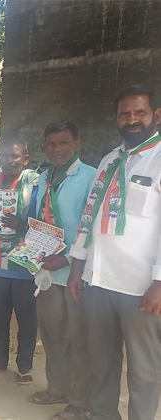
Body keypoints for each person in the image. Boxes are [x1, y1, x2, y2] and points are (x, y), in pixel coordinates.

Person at [68, 85, 161, 420]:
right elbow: (89, 217)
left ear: (156, 116)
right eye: (125, 113)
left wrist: (159, 283)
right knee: (102, 364)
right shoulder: (109, 160)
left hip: (141, 288)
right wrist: (78, 266)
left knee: (143, 371)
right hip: (99, 281)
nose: (131, 119)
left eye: (140, 112)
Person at [29, 121, 95, 420]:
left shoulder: (91, 177)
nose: (57, 149)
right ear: (45, 146)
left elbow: (92, 227)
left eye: (64, 143)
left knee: (78, 338)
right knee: (52, 333)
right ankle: (58, 389)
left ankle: (81, 403)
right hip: (46, 272)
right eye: (51, 144)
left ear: (77, 144)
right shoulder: (43, 178)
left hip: (75, 273)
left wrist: (68, 258)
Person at [0, 140, 39, 386]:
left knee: (26, 319)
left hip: (24, 264)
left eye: (15, 156)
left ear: (25, 159)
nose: (9, 161)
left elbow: (45, 219)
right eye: (4, 157)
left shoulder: (35, 185)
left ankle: (25, 367)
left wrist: (22, 225)